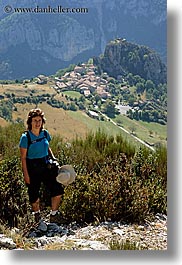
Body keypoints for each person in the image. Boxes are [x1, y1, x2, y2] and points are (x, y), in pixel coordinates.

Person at [19, 108, 64, 224]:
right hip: (32, 168)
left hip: (46, 165)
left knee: (57, 190)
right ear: (30, 122)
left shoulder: (45, 134)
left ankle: (53, 215)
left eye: (39, 120)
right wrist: (26, 175)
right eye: (35, 120)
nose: (38, 123)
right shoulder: (26, 138)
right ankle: (37, 218)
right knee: (34, 195)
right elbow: (23, 158)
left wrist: (54, 160)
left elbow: (48, 147)